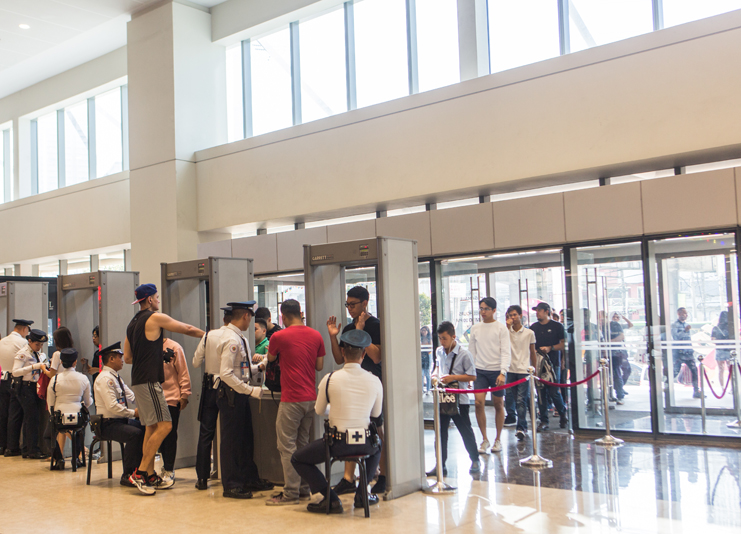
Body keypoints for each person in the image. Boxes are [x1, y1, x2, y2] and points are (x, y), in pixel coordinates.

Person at [124, 283, 204, 495]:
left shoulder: (132, 324)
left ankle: (150, 473)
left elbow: (128, 357)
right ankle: (140, 473)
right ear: (149, 299)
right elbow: (186, 328)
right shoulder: (154, 317)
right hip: (150, 381)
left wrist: (150, 354)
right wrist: (208, 335)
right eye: (157, 297)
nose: (158, 301)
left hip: (138, 380)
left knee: (151, 427)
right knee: (166, 426)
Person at [291, 329, 382, 514]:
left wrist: (337, 411)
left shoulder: (329, 378)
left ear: (342, 352)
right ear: (364, 354)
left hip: (336, 444)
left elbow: (319, 410)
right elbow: (376, 413)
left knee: (297, 458)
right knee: (377, 447)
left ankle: (331, 499)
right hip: (364, 443)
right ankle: (362, 493)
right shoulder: (374, 380)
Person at [327, 285, 385, 495]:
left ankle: (382, 475)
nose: (349, 309)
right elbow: (339, 358)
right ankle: (349, 478)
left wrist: (361, 332)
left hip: (371, 385)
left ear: (365, 303)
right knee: (352, 429)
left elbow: (376, 356)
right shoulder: (349, 328)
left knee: (377, 431)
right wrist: (333, 337)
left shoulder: (377, 325)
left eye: (353, 305)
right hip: (351, 385)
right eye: (347, 305)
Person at [266, 299, 325, 505]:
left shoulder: (278, 336)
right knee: (302, 445)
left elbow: (271, 359)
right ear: (300, 313)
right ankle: (303, 488)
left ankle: (290, 493)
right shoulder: (316, 335)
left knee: (286, 446)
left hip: (291, 398)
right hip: (311, 398)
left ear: (283, 316)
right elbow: (319, 366)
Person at [216, 301, 273, 499]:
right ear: (246, 316)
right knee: (232, 441)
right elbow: (226, 374)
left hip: (239, 392)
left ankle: (248, 477)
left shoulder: (238, 336)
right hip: (232, 394)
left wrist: (261, 367)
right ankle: (232, 484)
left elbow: (242, 369)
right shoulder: (231, 339)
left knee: (245, 438)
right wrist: (250, 391)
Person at [425, 321, 479, 477]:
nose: (442, 342)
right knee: (440, 433)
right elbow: (437, 367)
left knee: (465, 431)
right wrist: (435, 375)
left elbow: (472, 376)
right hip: (443, 398)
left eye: (445, 338)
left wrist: (453, 378)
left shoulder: (464, 354)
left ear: (453, 337)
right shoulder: (439, 351)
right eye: (440, 338)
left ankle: (474, 459)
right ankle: (440, 465)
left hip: (459, 400)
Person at [94, 342, 145, 488]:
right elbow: (112, 406)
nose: (122, 360)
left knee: (146, 428)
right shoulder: (105, 379)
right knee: (134, 434)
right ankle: (128, 474)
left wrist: (144, 406)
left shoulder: (116, 377)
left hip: (119, 421)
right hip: (108, 423)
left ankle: (141, 470)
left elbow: (131, 396)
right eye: (119, 357)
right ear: (111, 359)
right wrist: (133, 413)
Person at [192, 306, 232, 490]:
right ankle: (228, 476)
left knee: (205, 433)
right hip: (228, 387)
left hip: (209, 387)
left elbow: (195, 362)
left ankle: (202, 478)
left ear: (223, 319)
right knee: (228, 432)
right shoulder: (235, 337)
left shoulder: (208, 336)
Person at [468, 297, 510, 454]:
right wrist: (470, 373)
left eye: (486, 308)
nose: (482, 311)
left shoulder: (501, 328)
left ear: (494, 310)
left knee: (498, 404)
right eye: (481, 308)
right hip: (480, 370)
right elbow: (472, 351)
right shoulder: (475, 328)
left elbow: (506, 351)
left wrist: (503, 372)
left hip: (496, 371)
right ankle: (484, 439)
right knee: (479, 403)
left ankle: (498, 439)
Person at [47, 348, 92, 470]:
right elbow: (88, 401)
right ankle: (76, 458)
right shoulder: (83, 378)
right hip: (78, 418)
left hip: (59, 419)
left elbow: (50, 402)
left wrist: (53, 415)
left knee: (47, 435)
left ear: (61, 362)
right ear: (75, 362)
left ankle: (59, 459)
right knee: (78, 433)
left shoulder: (55, 379)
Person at [9, 328, 49, 459]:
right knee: (32, 419)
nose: (39, 347)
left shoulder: (40, 354)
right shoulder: (23, 354)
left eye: (41, 345)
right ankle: (33, 450)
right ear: (30, 341)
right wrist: (34, 367)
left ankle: (27, 448)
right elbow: (15, 372)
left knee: (31, 419)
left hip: (36, 387)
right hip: (26, 388)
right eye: (37, 344)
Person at [158, 337, 191, 484]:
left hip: (171, 398)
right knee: (155, 435)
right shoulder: (146, 345)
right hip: (152, 398)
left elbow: (183, 372)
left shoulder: (174, 347)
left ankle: (169, 468)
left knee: (170, 435)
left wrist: (185, 394)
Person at [530, 302, 568, 431]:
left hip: (553, 363)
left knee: (554, 392)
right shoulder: (533, 327)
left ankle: (563, 414)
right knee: (540, 392)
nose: (537, 313)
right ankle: (544, 420)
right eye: (536, 311)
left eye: (539, 310)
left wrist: (551, 348)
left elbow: (563, 344)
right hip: (538, 364)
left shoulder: (557, 326)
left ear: (547, 312)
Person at [0, 319, 32, 456]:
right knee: (16, 414)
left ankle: (2, 445)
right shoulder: (23, 343)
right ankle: (13, 446)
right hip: (15, 381)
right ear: (25, 329)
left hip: (2, 380)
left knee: (3, 414)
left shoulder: (2, 341)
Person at [504, 306, 537, 441]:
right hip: (510, 369)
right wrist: (506, 328)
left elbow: (533, 352)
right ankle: (519, 420)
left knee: (521, 400)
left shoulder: (529, 333)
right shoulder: (506, 332)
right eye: (510, 315)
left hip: (524, 370)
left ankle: (521, 427)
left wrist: (534, 369)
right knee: (511, 396)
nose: (513, 318)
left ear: (520, 316)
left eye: (515, 315)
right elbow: (501, 344)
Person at [671, 307, 701, 398]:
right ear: (679, 314)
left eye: (686, 313)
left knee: (694, 371)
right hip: (679, 353)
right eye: (684, 313)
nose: (686, 315)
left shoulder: (686, 324)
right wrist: (685, 331)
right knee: (675, 372)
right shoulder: (675, 325)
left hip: (688, 353)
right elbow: (676, 337)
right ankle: (666, 387)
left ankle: (696, 390)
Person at [609, 313, 633, 404]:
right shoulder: (610, 325)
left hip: (622, 351)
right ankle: (619, 391)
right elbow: (620, 337)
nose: (615, 318)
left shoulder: (619, 325)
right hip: (614, 352)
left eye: (617, 317)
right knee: (617, 372)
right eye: (614, 317)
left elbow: (631, 325)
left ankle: (620, 387)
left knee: (627, 370)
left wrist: (624, 317)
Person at [712, 311, 733, 387]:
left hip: (719, 350)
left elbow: (713, 339)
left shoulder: (716, 328)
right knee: (730, 370)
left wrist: (719, 341)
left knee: (721, 370)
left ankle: (722, 387)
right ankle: (731, 387)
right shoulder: (730, 328)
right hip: (728, 350)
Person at [420, 326, 432, 394]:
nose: (423, 332)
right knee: (421, 374)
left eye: (425, 330)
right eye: (422, 330)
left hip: (428, 356)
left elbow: (430, 348)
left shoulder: (429, 339)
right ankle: (421, 389)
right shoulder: (420, 339)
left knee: (427, 373)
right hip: (421, 356)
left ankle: (428, 389)